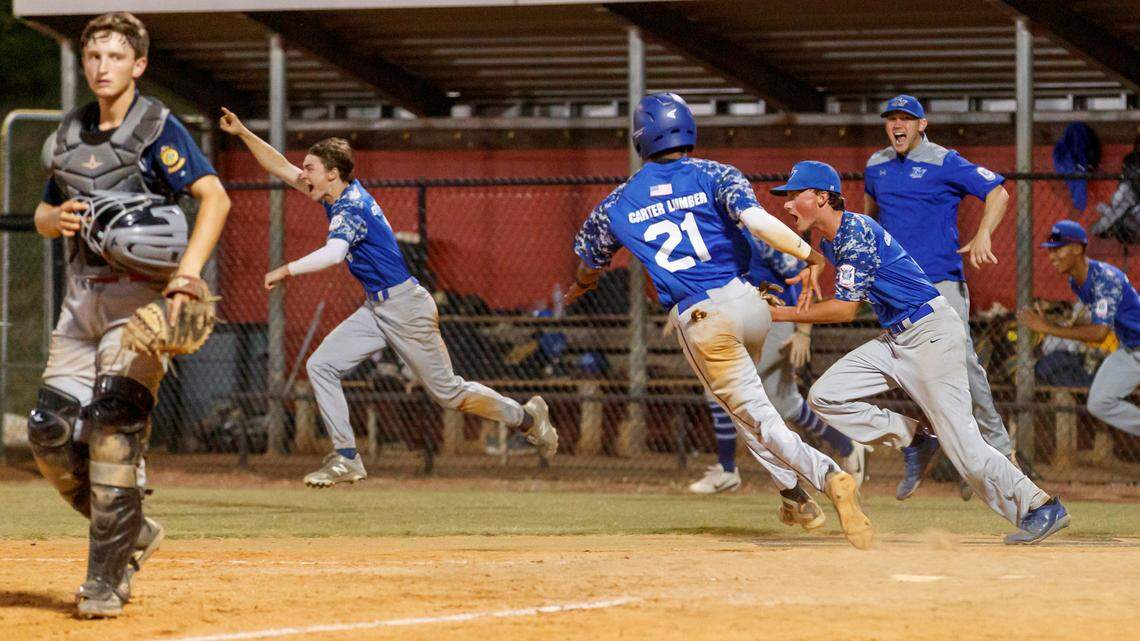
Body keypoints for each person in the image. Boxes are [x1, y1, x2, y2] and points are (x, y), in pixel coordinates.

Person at [566, 92, 873, 549]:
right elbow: (759, 224)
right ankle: (793, 497)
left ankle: (828, 476)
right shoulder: (716, 173)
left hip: (702, 317)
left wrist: (582, 284)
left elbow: (589, 262)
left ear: (641, 138)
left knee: (758, 416)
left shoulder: (617, 201)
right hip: (749, 304)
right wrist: (811, 255)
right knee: (744, 410)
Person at [218, 109, 558, 487]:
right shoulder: (333, 193)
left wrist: (286, 270)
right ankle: (347, 457)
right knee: (321, 366)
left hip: (406, 307)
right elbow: (280, 167)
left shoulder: (350, 207)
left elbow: (334, 253)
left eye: (310, 168)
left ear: (332, 173)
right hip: (377, 307)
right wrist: (243, 132)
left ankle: (526, 418)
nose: (303, 173)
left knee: (448, 393)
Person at [29, 12, 232, 617]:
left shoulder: (157, 129)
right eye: (94, 56)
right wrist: (54, 219)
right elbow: (43, 214)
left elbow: (215, 197)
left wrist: (187, 276)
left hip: (139, 305)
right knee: (49, 435)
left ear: (138, 65)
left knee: (113, 433)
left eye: (116, 57)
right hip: (80, 304)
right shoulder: (70, 134)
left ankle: (106, 580)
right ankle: (132, 530)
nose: (103, 67)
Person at [770, 160, 1070, 545]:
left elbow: (845, 310)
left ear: (823, 198)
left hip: (930, 335)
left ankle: (1040, 507)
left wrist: (780, 313)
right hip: (897, 338)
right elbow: (840, 267)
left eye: (796, 194)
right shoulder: (833, 239)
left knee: (964, 447)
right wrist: (815, 264)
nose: (787, 203)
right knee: (825, 395)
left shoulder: (855, 233)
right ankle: (914, 437)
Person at [865, 95, 1018, 501]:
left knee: (963, 363)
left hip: (940, 283)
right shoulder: (876, 165)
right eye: (892, 119)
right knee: (918, 374)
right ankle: (955, 453)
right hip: (896, 288)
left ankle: (1000, 450)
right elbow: (870, 219)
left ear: (922, 125)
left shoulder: (944, 160)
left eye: (906, 119)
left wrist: (984, 234)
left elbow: (999, 193)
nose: (898, 125)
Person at [688, 235, 871, 495]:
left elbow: (804, 278)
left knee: (719, 385)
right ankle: (848, 446)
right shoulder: (713, 237)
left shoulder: (760, 237)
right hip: (743, 323)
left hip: (777, 322)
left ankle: (727, 470)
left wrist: (803, 331)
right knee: (785, 403)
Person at [1018, 220, 1140, 435]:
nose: (1052, 256)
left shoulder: (1104, 278)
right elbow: (1098, 320)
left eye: (1058, 249)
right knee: (1099, 403)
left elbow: (1099, 333)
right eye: (1050, 251)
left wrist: (1046, 327)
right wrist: (1059, 324)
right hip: (1130, 349)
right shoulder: (1077, 282)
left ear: (1076, 248)